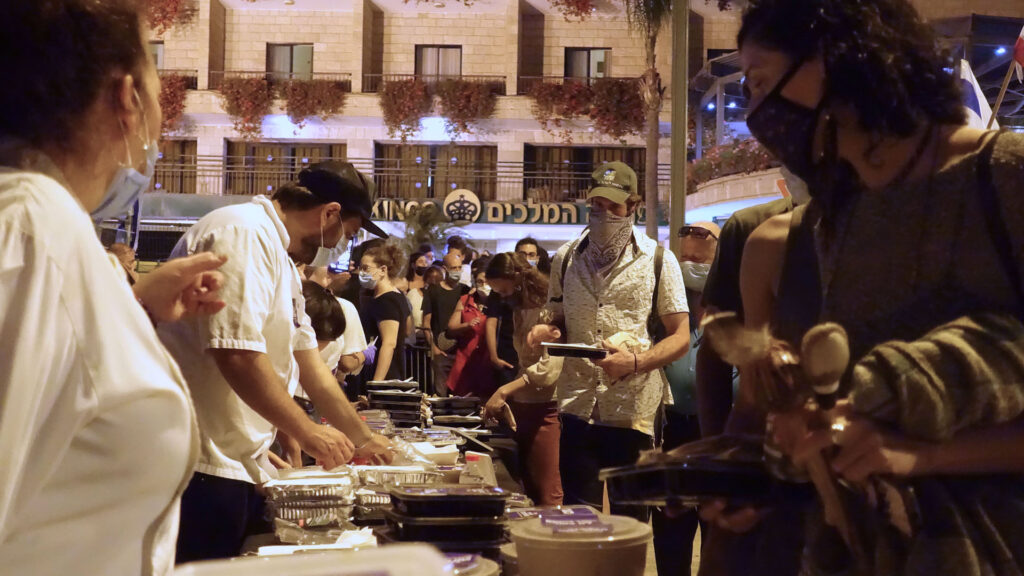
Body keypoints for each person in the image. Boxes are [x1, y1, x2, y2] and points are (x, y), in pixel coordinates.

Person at [701, 2, 1024, 574]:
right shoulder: (841, 215)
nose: (755, 111)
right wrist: (768, 473)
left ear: (839, 58)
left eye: (762, 82)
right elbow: (855, 407)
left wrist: (925, 456)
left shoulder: (1004, 175)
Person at [0, 2, 230, 573]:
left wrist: (136, 311)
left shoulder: (52, 228)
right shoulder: (30, 225)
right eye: (160, 84)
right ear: (126, 98)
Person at [158, 161, 393, 563]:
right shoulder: (243, 232)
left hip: (235, 459)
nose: (339, 244)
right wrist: (307, 430)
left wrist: (362, 439)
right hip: (200, 460)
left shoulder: (279, 256)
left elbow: (310, 365)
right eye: (347, 234)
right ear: (329, 213)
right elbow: (237, 352)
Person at [528, 161, 690, 521]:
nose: (603, 214)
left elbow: (680, 337)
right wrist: (547, 329)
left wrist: (635, 363)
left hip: (633, 411)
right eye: (596, 205)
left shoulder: (660, 260)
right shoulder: (566, 258)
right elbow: (556, 316)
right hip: (577, 405)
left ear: (633, 205)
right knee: (577, 520)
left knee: (629, 523)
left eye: (613, 206)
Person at [652, 222, 723, 576]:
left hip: (720, 434)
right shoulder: (665, 309)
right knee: (671, 535)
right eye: (684, 258)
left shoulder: (737, 303)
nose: (690, 266)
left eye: (699, 258)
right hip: (673, 433)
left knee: (719, 540)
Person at [483, 253, 565, 506]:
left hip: (546, 408)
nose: (502, 297)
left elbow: (548, 370)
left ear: (517, 279)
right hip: (525, 407)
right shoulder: (519, 311)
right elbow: (525, 365)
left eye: (504, 290)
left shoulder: (547, 311)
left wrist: (505, 390)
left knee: (547, 489)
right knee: (529, 486)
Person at [359, 242, 411, 382]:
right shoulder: (396, 296)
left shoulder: (386, 301)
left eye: (366, 268)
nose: (361, 273)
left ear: (383, 270)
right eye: (361, 268)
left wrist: (376, 383)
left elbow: (389, 343)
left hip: (384, 375)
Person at [446, 260, 496, 397]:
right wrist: (466, 325)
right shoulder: (465, 300)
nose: (484, 285)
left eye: (487, 281)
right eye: (480, 282)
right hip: (464, 363)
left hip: (488, 365)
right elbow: (451, 328)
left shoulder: (499, 303)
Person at [422, 254, 470, 396]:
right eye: (453, 268)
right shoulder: (433, 290)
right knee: (440, 394)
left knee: (460, 395)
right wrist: (434, 348)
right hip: (441, 352)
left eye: (459, 267)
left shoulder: (465, 290)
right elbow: (426, 322)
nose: (457, 271)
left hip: (461, 352)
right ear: (445, 269)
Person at [404, 251, 430, 346]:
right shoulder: (406, 283)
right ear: (413, 265)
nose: (424, 264)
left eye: (425, 262)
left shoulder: (428, 283)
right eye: (420, 261)